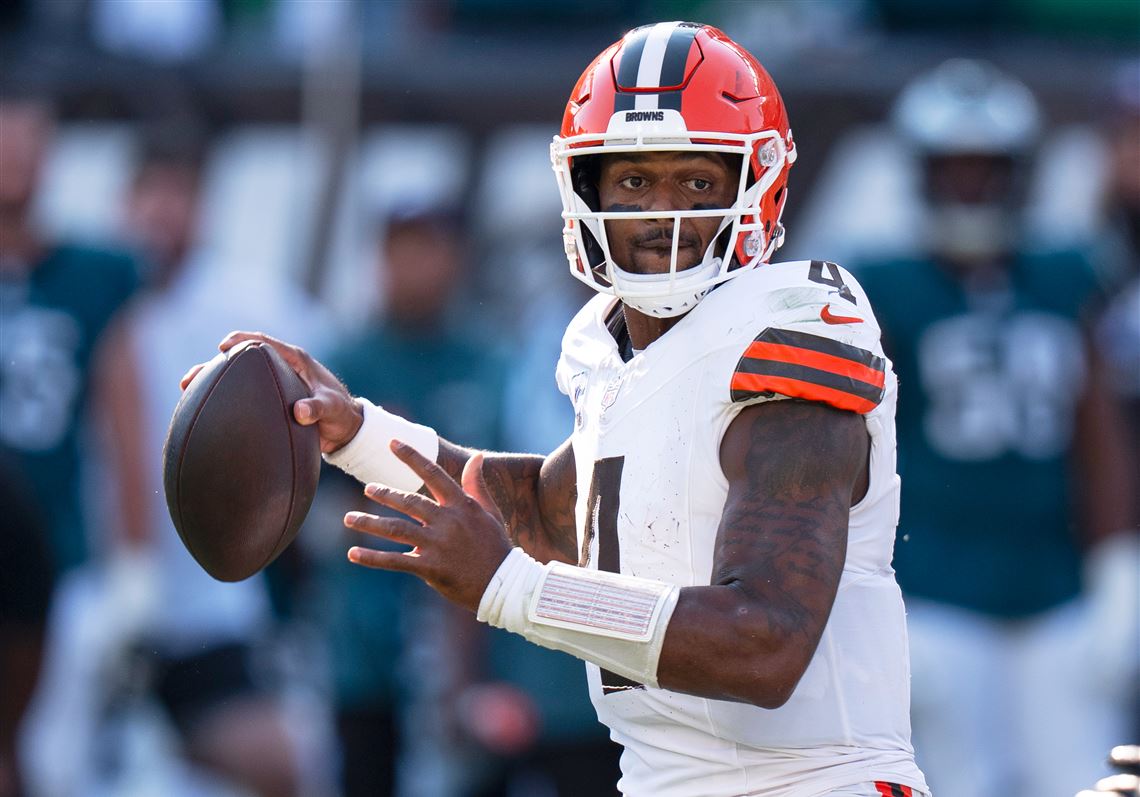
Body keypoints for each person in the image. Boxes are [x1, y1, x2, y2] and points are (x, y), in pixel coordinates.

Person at [188, 22, 929, 796]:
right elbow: (546, 512)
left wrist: (509, 589)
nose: (661, 213)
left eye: (696, 182)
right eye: (633, 180)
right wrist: (355, 430)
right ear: (585, 188)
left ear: (757, 184)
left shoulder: (788, 333)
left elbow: (765, 644)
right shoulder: (615, 353)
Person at [849, 59, 1136, 797]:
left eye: (987, 169)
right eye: (953, 169)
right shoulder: (882, 286)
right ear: (921, 173)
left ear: (1020, 174)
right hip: (935, 586)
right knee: (955, 781)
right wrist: (862, 588)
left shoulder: (1067, 274)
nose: (971, 187)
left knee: (1082, 777)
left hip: (1058, 584)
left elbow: (1098, 429)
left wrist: (1119, 566)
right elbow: (851, 452)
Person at [89, 126, 333, 797]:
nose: (163, 211)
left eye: (180, 193)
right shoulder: (91, 290)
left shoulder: (249, 302)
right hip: (92, 596)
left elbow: (336, 381)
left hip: (208, 598)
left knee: (284, 765)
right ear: (124, 202)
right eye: (150, 192)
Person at [0, 92, 139, 575]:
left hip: (57, 548)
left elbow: (125, 421)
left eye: (26, 145)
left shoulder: (93, 274)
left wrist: (135, 560)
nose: (13, 157)